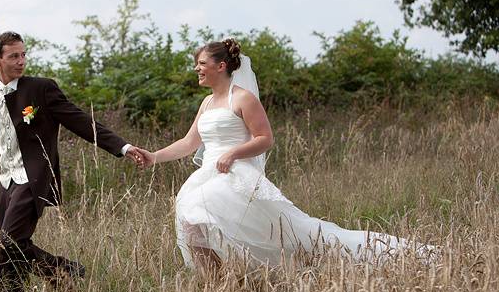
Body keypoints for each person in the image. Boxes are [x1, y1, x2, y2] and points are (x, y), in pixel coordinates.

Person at [135, 39, 434, 274]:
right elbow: (189, 143)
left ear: (221, 66)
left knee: (281, 234)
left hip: (233, 175)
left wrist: (234, 152)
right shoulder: (206, 103)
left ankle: (369, 254)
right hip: (207, 176)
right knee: (192, 223)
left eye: (201, 64)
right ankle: (216, 288)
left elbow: (265, 139)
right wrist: (154, 156)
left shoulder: (242, 98)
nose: (197, 69)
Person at [0, 31, 144, 292]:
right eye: (14, 56)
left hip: (32, 179)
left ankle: (64, 268)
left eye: (23, 55)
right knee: (6, 246)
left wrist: (123, 147)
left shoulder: (40, 89)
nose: (21, 61)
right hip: (6, 182)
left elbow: (79, 120)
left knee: (9, 240)